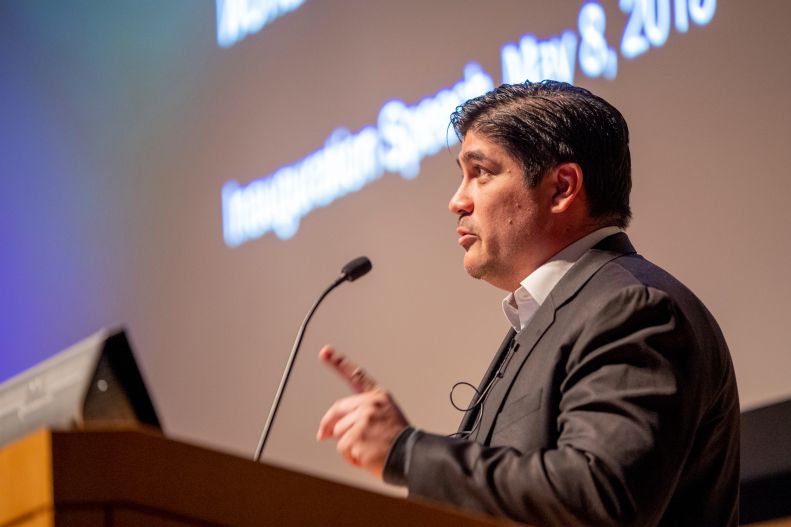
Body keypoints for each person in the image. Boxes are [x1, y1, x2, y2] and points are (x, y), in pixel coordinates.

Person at [316, 81, 739, 527]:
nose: (457, 201)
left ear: (562, 188)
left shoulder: (633, 309)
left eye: (481, 172)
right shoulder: (557, 311)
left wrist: (408, 453)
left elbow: (598, 497)